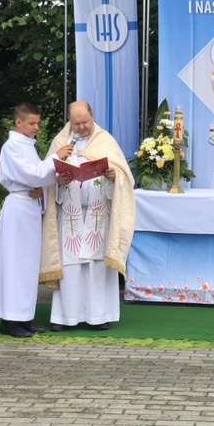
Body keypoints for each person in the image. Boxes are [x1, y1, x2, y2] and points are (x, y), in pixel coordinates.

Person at [40, 101, 135, 331]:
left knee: (96, 267)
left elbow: (126, 178)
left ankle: (99, 316)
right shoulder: (60, 143)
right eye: (76, 123)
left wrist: (114, 178)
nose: (81, 127)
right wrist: (58, 182)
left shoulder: (106, 141)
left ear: (92, 117)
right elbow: (44, 177)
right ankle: (65, 318)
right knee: (71, 267)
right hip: (70, 215)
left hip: (97, 214)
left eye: (85, 122)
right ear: (69, 121)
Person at [0, 103, 74, 338]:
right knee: (15, 264)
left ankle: (23, 317)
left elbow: (38, 176)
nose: (37, 127)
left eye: (38, 123)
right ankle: (10, 319)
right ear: (18, 122)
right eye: (32, 123)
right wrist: (57, 158)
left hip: (30, 209)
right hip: (18, 210)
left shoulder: (27, 145)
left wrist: (48, 186)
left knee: (27, 266)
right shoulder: (12, 146)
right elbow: (31, 174)